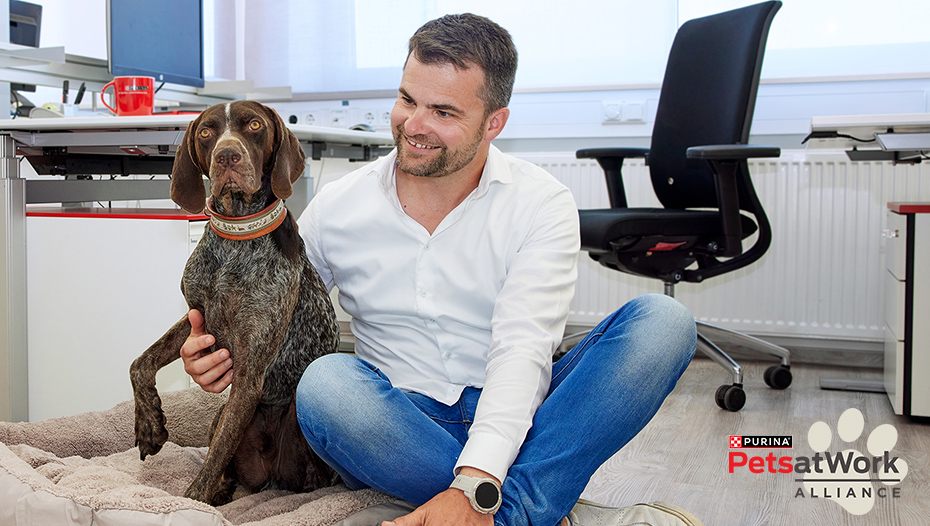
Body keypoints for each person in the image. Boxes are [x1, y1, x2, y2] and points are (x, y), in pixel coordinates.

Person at [181, 13, 700, 526]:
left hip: (522, 410)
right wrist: (209, 355)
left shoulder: (542, 202)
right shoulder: (338, 207)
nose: (415, 126)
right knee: (326, 386)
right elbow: (270, 306)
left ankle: (495, 511)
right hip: (396, 423)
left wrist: (479, 476)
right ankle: (531, 504)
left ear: (494, 123)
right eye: (407, 100)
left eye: (444, 112)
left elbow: (523, 352)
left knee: (663, 323)